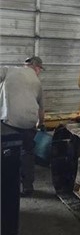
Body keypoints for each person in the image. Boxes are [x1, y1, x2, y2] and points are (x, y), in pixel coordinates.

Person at [0, 56, 45, 197]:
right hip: (29, 123)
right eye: (40, 70)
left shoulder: (9, 70)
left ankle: (7, 186)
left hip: (9, 122)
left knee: (7, 153)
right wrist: (40, 125)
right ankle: (27, 187)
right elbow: (41, 110)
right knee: (27, 153)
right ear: (36, 67)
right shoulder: (37, 82)